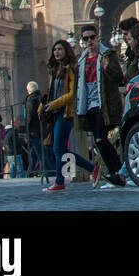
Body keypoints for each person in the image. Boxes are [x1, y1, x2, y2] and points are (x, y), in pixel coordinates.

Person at [75, 23, 126, 187]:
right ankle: (118, 173)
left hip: (104, 103)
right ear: (82, 41)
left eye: (92, 37)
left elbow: (119, 77)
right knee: (99, 141)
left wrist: (107, 67)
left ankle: (118, 172)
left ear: (97, 37)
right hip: (88, 104)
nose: (89, 41)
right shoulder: (82, 60)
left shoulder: (107, 55)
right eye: (86, 38)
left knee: (100, 139)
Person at [42, 38, 93, 191]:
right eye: (55, 50)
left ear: (66, 51)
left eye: (60, 49)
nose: (57, 52)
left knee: (58, 149)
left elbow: (72, 94)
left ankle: (60, 182)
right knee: (61, 150)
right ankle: (92, 169)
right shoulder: (54, 69)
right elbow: (51, 93)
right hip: (56, 113)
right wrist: (43, 106)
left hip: (66, 113)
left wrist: (54, 104)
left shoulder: (71, 68)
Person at [23, 81, 45, 177]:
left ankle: (33, 172)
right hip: (39, 129)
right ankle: (31, 172)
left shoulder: (31, 99)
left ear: (28, 90)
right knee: (34, 153)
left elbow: (30, 116)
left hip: (33, 130)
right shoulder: (40, 97)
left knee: (37, 153)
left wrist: (27, 129)